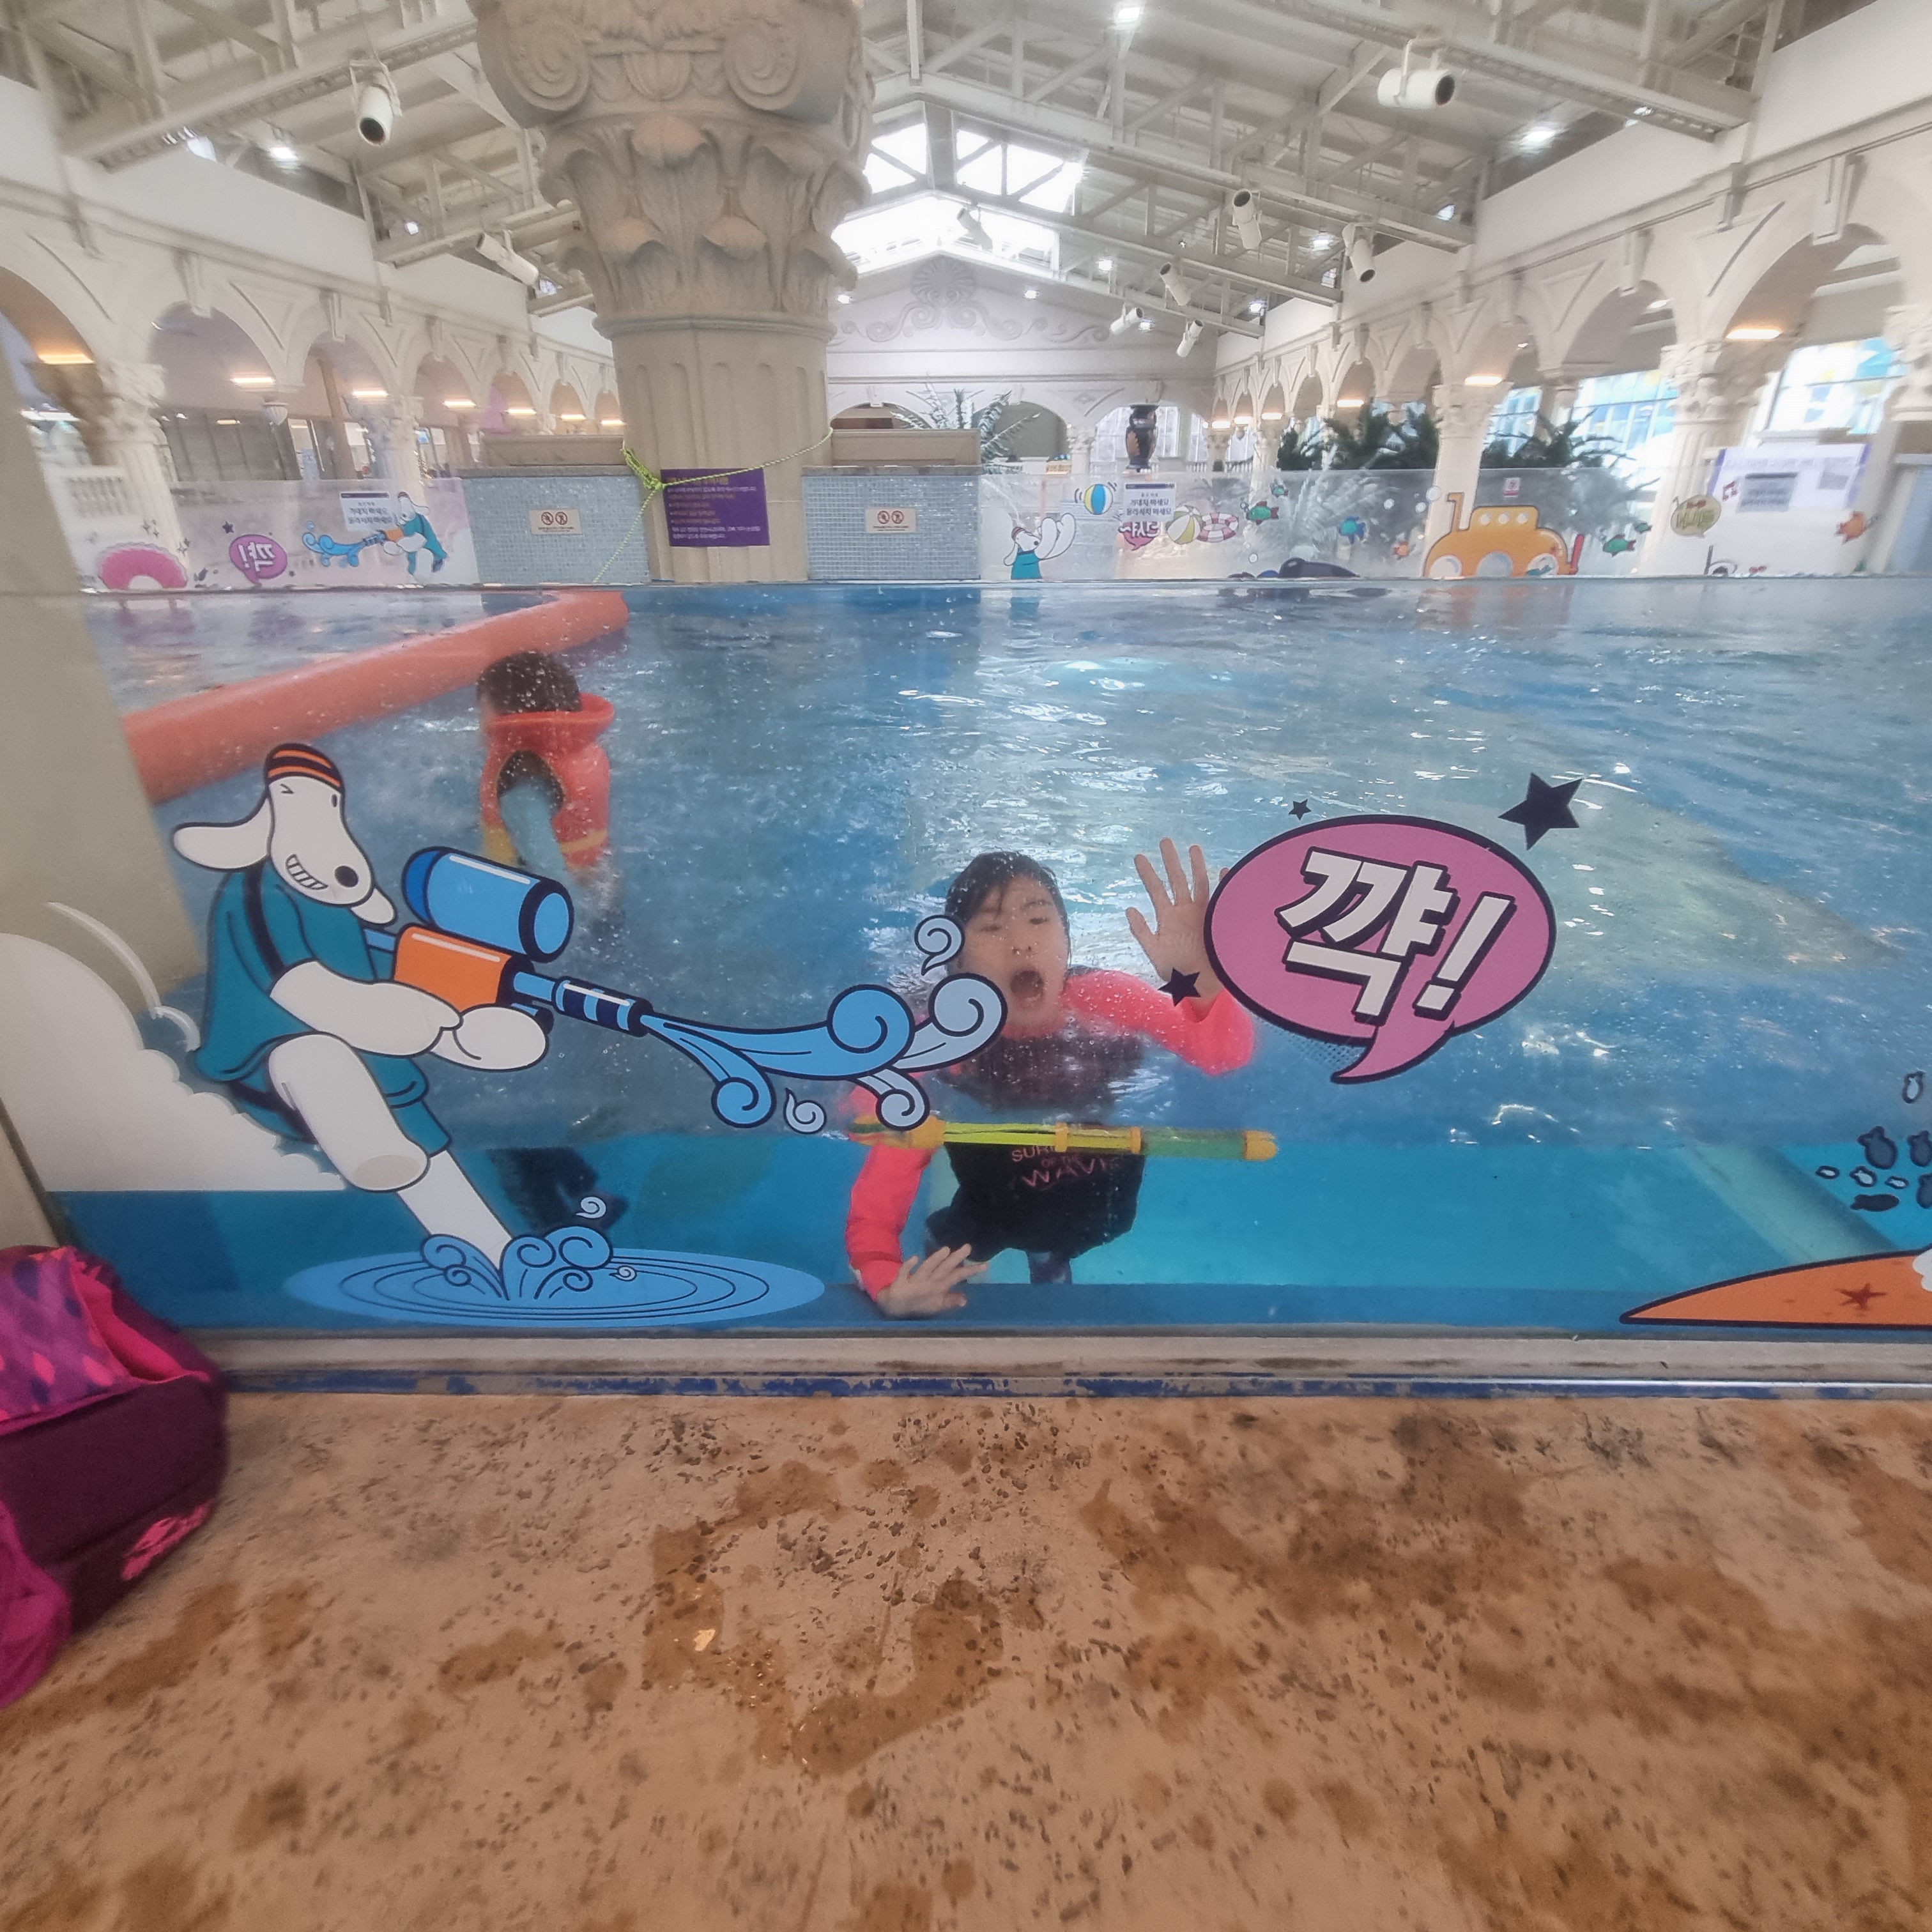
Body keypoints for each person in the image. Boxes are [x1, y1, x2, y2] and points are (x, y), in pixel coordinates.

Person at [846, 839, 1254, 1317]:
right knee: (975, 1233)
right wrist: (886, 1281)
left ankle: (1048, 1254)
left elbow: (1223, 1055)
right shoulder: (942, 1043)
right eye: (992, 927)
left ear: (1066, 941)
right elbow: (880, 1182)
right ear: (958, 962)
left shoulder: (1110, 1000)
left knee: (1089, 1223)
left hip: (1093, 1183)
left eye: (1039, 920)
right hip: (993, 1197)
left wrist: (1202, 984)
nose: (1022, 941)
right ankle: (951, 1242)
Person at [475, 652, 627, 1236]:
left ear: (503, 712)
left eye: (481, 706)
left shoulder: (518, 780)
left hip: (548, 930)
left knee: (497, 1113)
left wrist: (554, 954)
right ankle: (589, 1192)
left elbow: (547, 874)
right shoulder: (578, 753)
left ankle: (554, 1237)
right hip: (605, 899)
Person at [475, 651, 619, 919]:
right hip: (603, 886)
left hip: (559, 909)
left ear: (508, 717)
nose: (480, 724)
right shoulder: (578, 751)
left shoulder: (520, 786)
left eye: (483, 711)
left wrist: (560, 920)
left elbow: (548, 873)